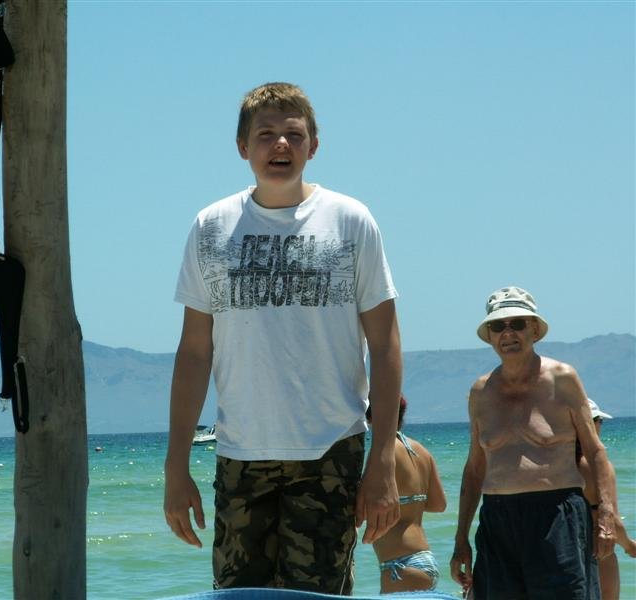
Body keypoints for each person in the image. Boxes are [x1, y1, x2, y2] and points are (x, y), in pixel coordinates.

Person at [163, 82, 403, 594]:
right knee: (239, 597)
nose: (280, 145)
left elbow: (385, 346)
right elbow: (194, 353)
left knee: (315, 598)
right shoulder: (211, 226)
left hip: (329, 449)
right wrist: (175, 466)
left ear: (313, 146)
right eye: (265, 134)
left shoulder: (350, 221)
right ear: (242, 147)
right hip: (239, 451)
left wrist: (383, 458)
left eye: (294, 135)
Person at [450, 286, 619, 600]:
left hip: (556, 514)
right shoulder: (480, 392)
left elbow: (595, 451)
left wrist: (606, 515)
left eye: (517, 324)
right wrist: (461, 540)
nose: (508, 333)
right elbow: (474, 469)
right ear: (490, 335)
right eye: (498, 326)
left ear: (535, 330)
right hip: (497, 518)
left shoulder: (562, 378)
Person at [367, 394, 446, 593]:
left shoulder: (383, 454)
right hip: (425, 559)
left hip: (400, 565)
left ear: (370, 418)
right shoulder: (422, 451)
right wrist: (409, 503)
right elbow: (439, 504)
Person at [577, 399, 636, 600]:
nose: (601, 425)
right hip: (597, 551)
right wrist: (629, 546)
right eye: (599, 420)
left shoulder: (557, 465)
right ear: (590, 424)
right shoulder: (599, 467)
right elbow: (612, 522)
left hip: (561, 550)